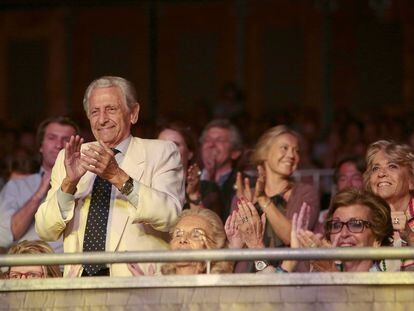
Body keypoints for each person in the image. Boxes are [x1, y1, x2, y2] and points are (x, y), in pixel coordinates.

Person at [35, 76, 184, 277]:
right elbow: (45, 231)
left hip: (137, 282)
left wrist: (118, 177)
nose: (102, 119)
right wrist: (69, 183)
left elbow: (171, 216)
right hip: (80, 282)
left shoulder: (161, 152)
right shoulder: (71, 156)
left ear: (133, 113)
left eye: (111, 109)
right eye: (95, 112)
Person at [234, 125, 319, 268]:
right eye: (284, 148)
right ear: (264, 153)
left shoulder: (305, 193)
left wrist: (263, 199)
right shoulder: (246, 192)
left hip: (288, 278)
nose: (292, 155)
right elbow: (236, 242)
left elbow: (290, 236)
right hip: (248, 276)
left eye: (296, 151)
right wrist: (246, 208)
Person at [0, 116, 79, 252]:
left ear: (77, 146)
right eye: (52, 138)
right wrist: (40, 192)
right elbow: (5, 237)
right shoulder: (17, 186)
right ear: (41, 146)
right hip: (25, 268)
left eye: (66, 139)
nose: (59, 145)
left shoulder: (86, 186)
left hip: (68, 268)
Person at [364, 140, 414, 270]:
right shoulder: (365, 222)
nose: (381, 173)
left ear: (411, 180)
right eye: (375, 168)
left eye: (392, 166)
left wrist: (409, 235)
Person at [161, 208, 233, 275]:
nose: (183, 239)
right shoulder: (155, 286)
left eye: (196, 235)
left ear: (215, 247)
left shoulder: (222, 288)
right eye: (178, 234)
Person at [199, 119, 244, 221]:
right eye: (207, 140)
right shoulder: (189, 180)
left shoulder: (243, 183)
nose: (211, 145)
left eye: (220, 140)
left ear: (235, 152)